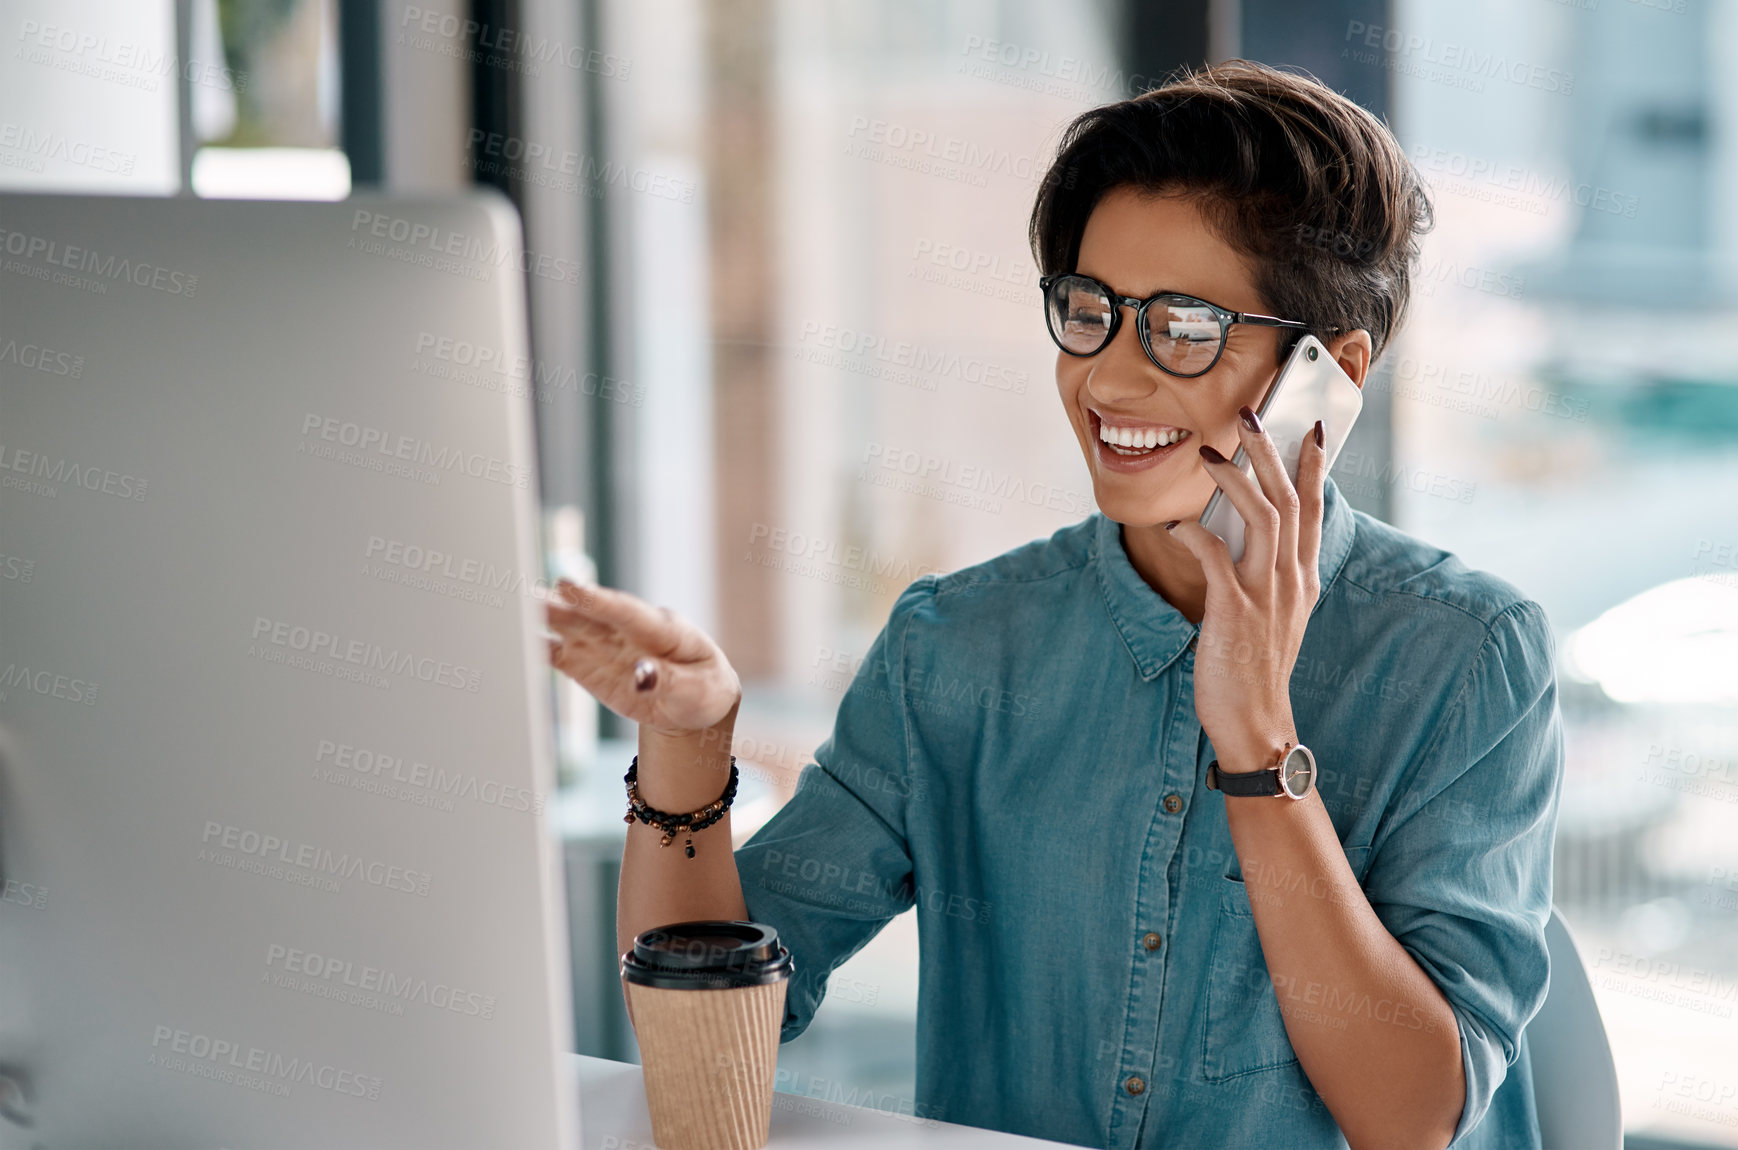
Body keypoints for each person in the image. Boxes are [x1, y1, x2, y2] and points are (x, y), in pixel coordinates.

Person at [546, 59, 1563, 1150]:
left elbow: (1410, 1117)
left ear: (1330, 372)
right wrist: (690, 751)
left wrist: (1259, 740)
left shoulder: (1466, 657)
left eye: (1180, 327)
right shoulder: (959, 647)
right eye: (1091, 310)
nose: (1109, 379)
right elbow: (703, 1041)